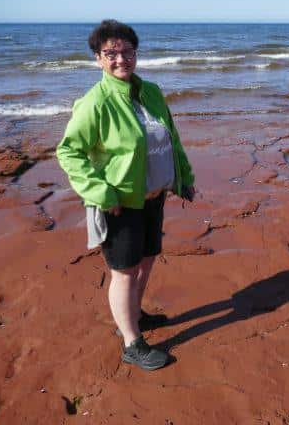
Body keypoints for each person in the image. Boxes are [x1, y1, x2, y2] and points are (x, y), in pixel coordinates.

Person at [57, 20, 195, 371]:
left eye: (127, 51)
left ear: (136, 53)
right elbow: (68, 152)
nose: (121, 59)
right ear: (98, 58)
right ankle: (132, 344)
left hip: (153, 196)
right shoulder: (95, 103)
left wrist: (184, 177)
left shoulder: (151, 92)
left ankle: (134, 315)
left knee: (146, 260)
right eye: (111, 53)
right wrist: (101, 192)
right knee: (124, 272)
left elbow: (171, 137)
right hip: (119, 204)